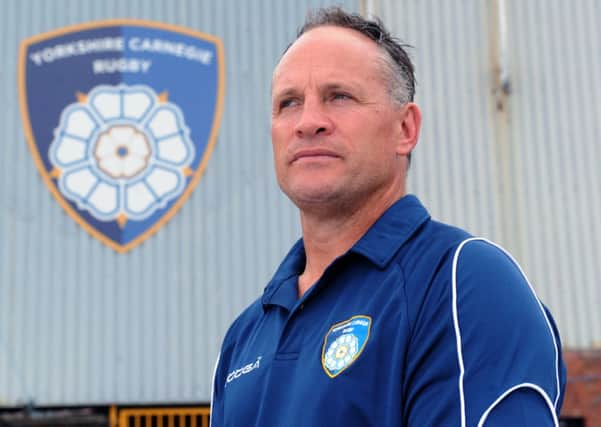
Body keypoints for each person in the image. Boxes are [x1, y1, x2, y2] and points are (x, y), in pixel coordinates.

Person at [210, 6, 566, 426]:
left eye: (338, 96)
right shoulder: (244, 337)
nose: (308, 122)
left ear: (405, 129)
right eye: (288, 103)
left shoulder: (462, 283)